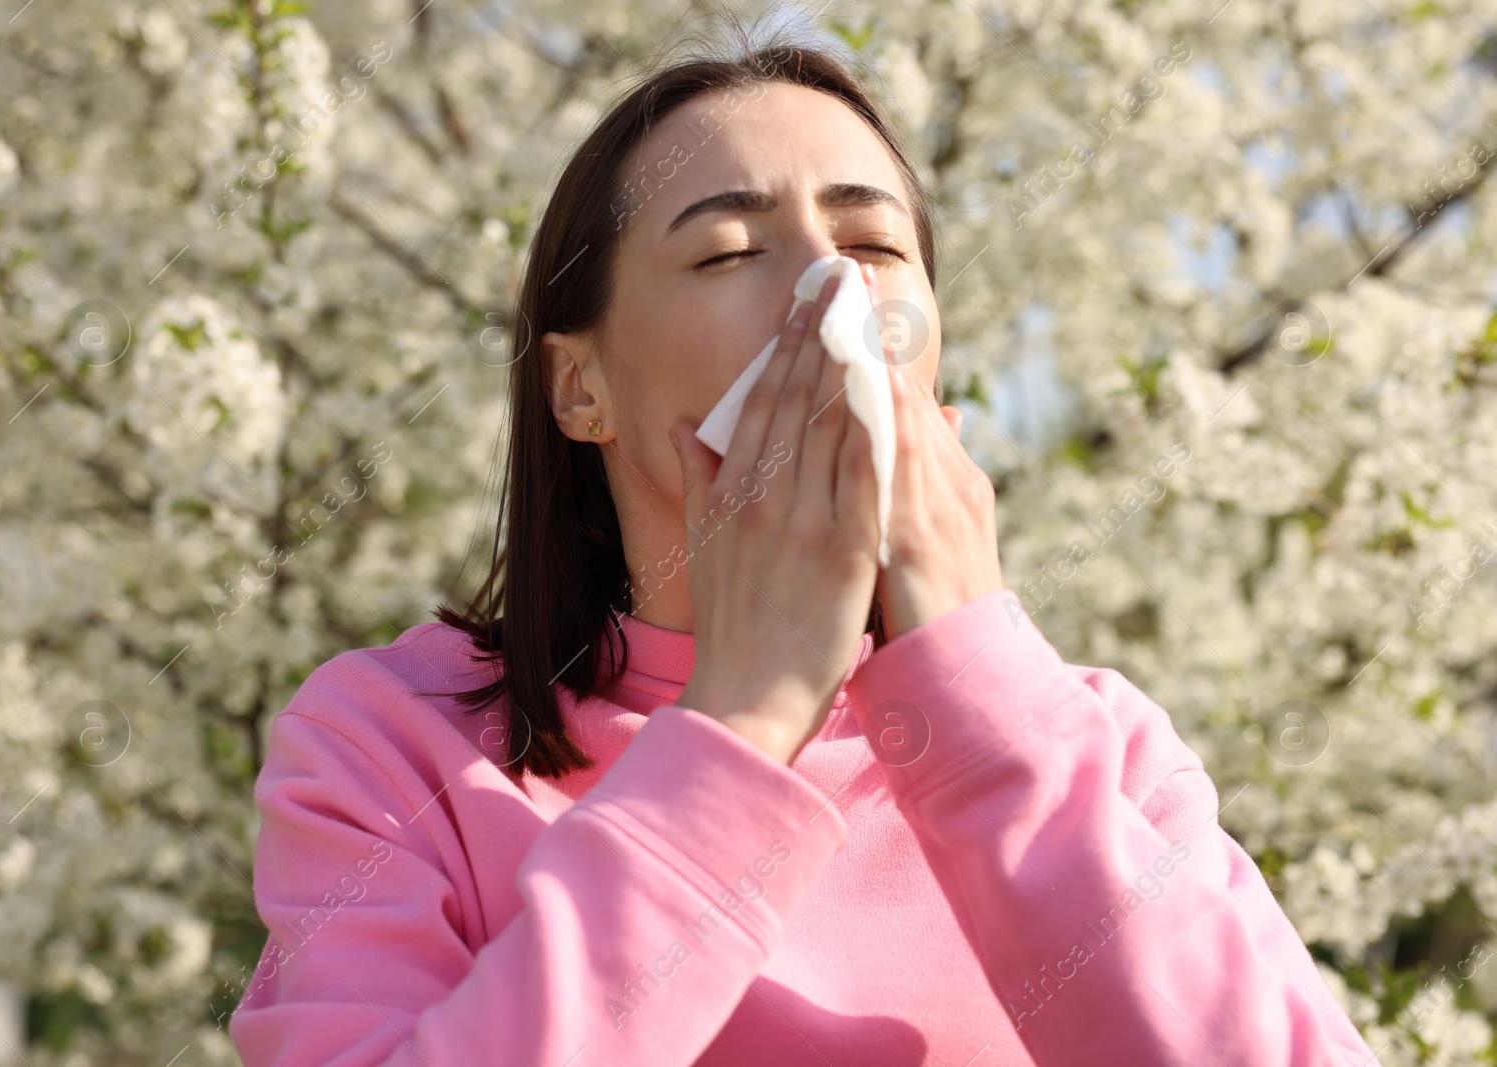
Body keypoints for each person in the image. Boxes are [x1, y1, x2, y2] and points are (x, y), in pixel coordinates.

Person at [229, 35, 1375, 1067]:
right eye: (730, 251)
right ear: (581, 387)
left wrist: (978, 684)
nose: (831, 286)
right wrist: (740, 720)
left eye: (874, 242)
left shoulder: (1101, 748)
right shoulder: (390, 745)